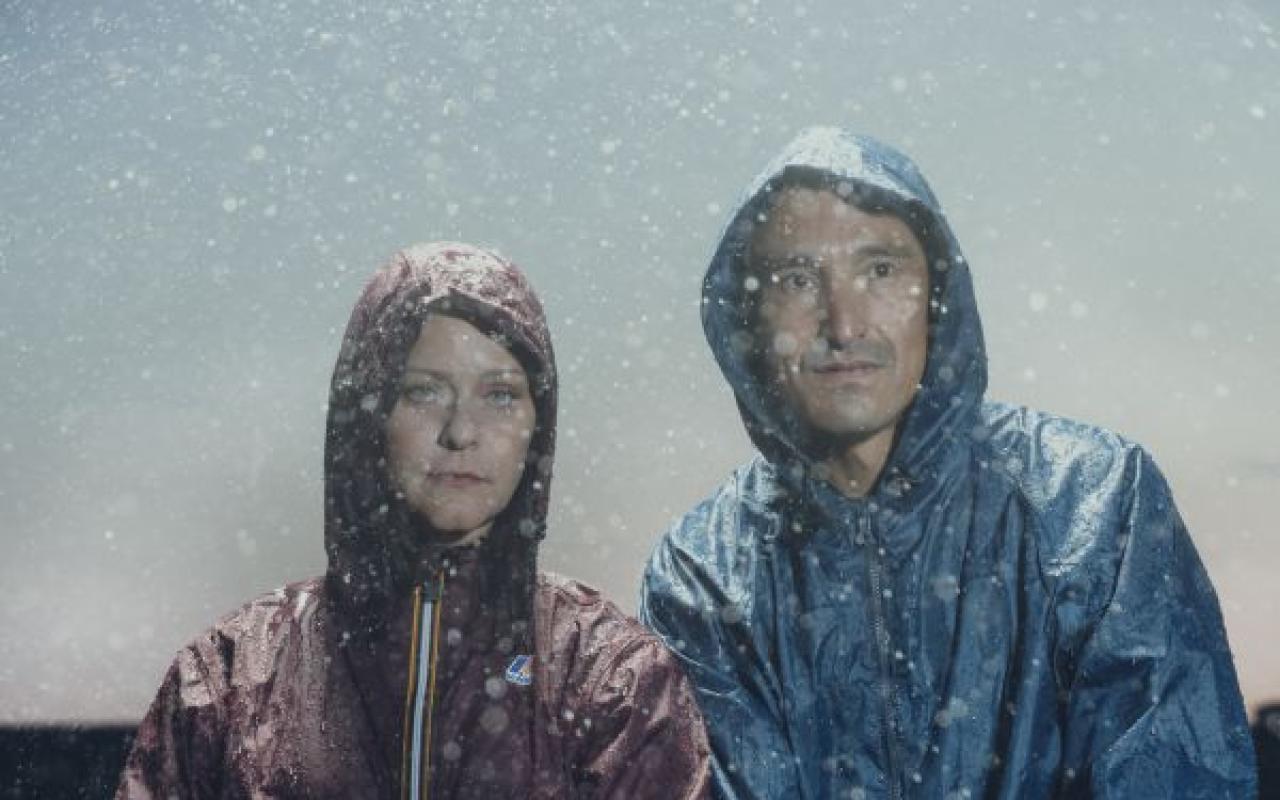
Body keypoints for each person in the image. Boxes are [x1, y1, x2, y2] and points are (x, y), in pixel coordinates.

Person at [639, 127, 1257, 798]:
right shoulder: (700, 572)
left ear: (937, 298)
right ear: (746, 320)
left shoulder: (1094, 498)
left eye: (880, 269)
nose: (844, 324)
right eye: (796, 277)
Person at [117, 242, 711, 799]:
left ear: (539, 425)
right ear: (366, 415)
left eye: (500, 395)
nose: (461, 432)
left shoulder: (612, 678)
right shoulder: (230, 675)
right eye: (424, 392)